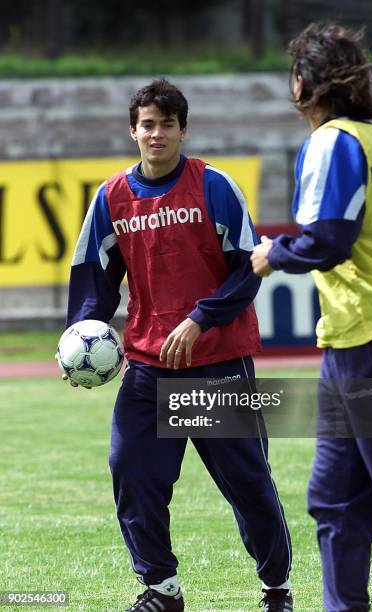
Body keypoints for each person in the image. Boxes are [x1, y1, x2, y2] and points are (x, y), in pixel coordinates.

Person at [64, 78, 293, 612]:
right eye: (148, 124)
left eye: (168, 124)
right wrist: (81, 336)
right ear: (133, 130)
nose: (157, 133)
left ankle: (276, 588)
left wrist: (200, 319)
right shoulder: (112, 198)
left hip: (217, 366)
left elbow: (248, 271)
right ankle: (161, 590)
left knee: (248, 486)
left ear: (183, 130)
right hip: (147, 367)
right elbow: (94, 277)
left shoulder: (214, 187)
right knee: (132, 471)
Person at [251, 22, 372, 612]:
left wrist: (273, 255)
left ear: (305, 83)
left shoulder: (332, 142)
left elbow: (329, 240)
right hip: (355, 338)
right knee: (336, 498)